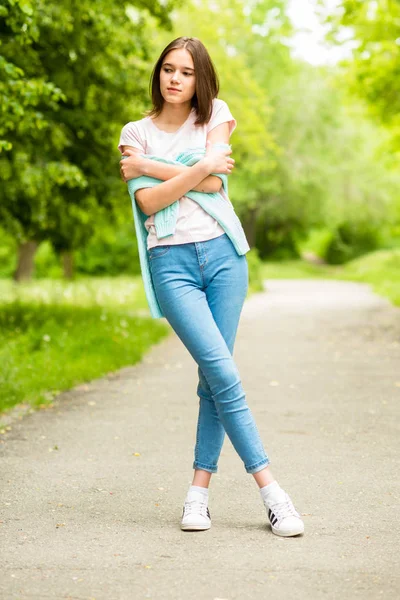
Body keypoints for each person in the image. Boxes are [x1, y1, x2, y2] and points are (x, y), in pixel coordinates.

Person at [118, 36, 304, 537]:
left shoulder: (215, 113)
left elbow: (216, 185)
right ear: (158, 74)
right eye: (168, 69)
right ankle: (273, 491)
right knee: (222, 370)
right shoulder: (134, 131)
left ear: (201, 78)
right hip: (171, 264)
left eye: (186, 71)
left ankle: (197, 494)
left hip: (224, 257)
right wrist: (198, 167)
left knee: (212, 380)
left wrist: (182, 169)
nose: (175, 78)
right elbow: (151, 203)